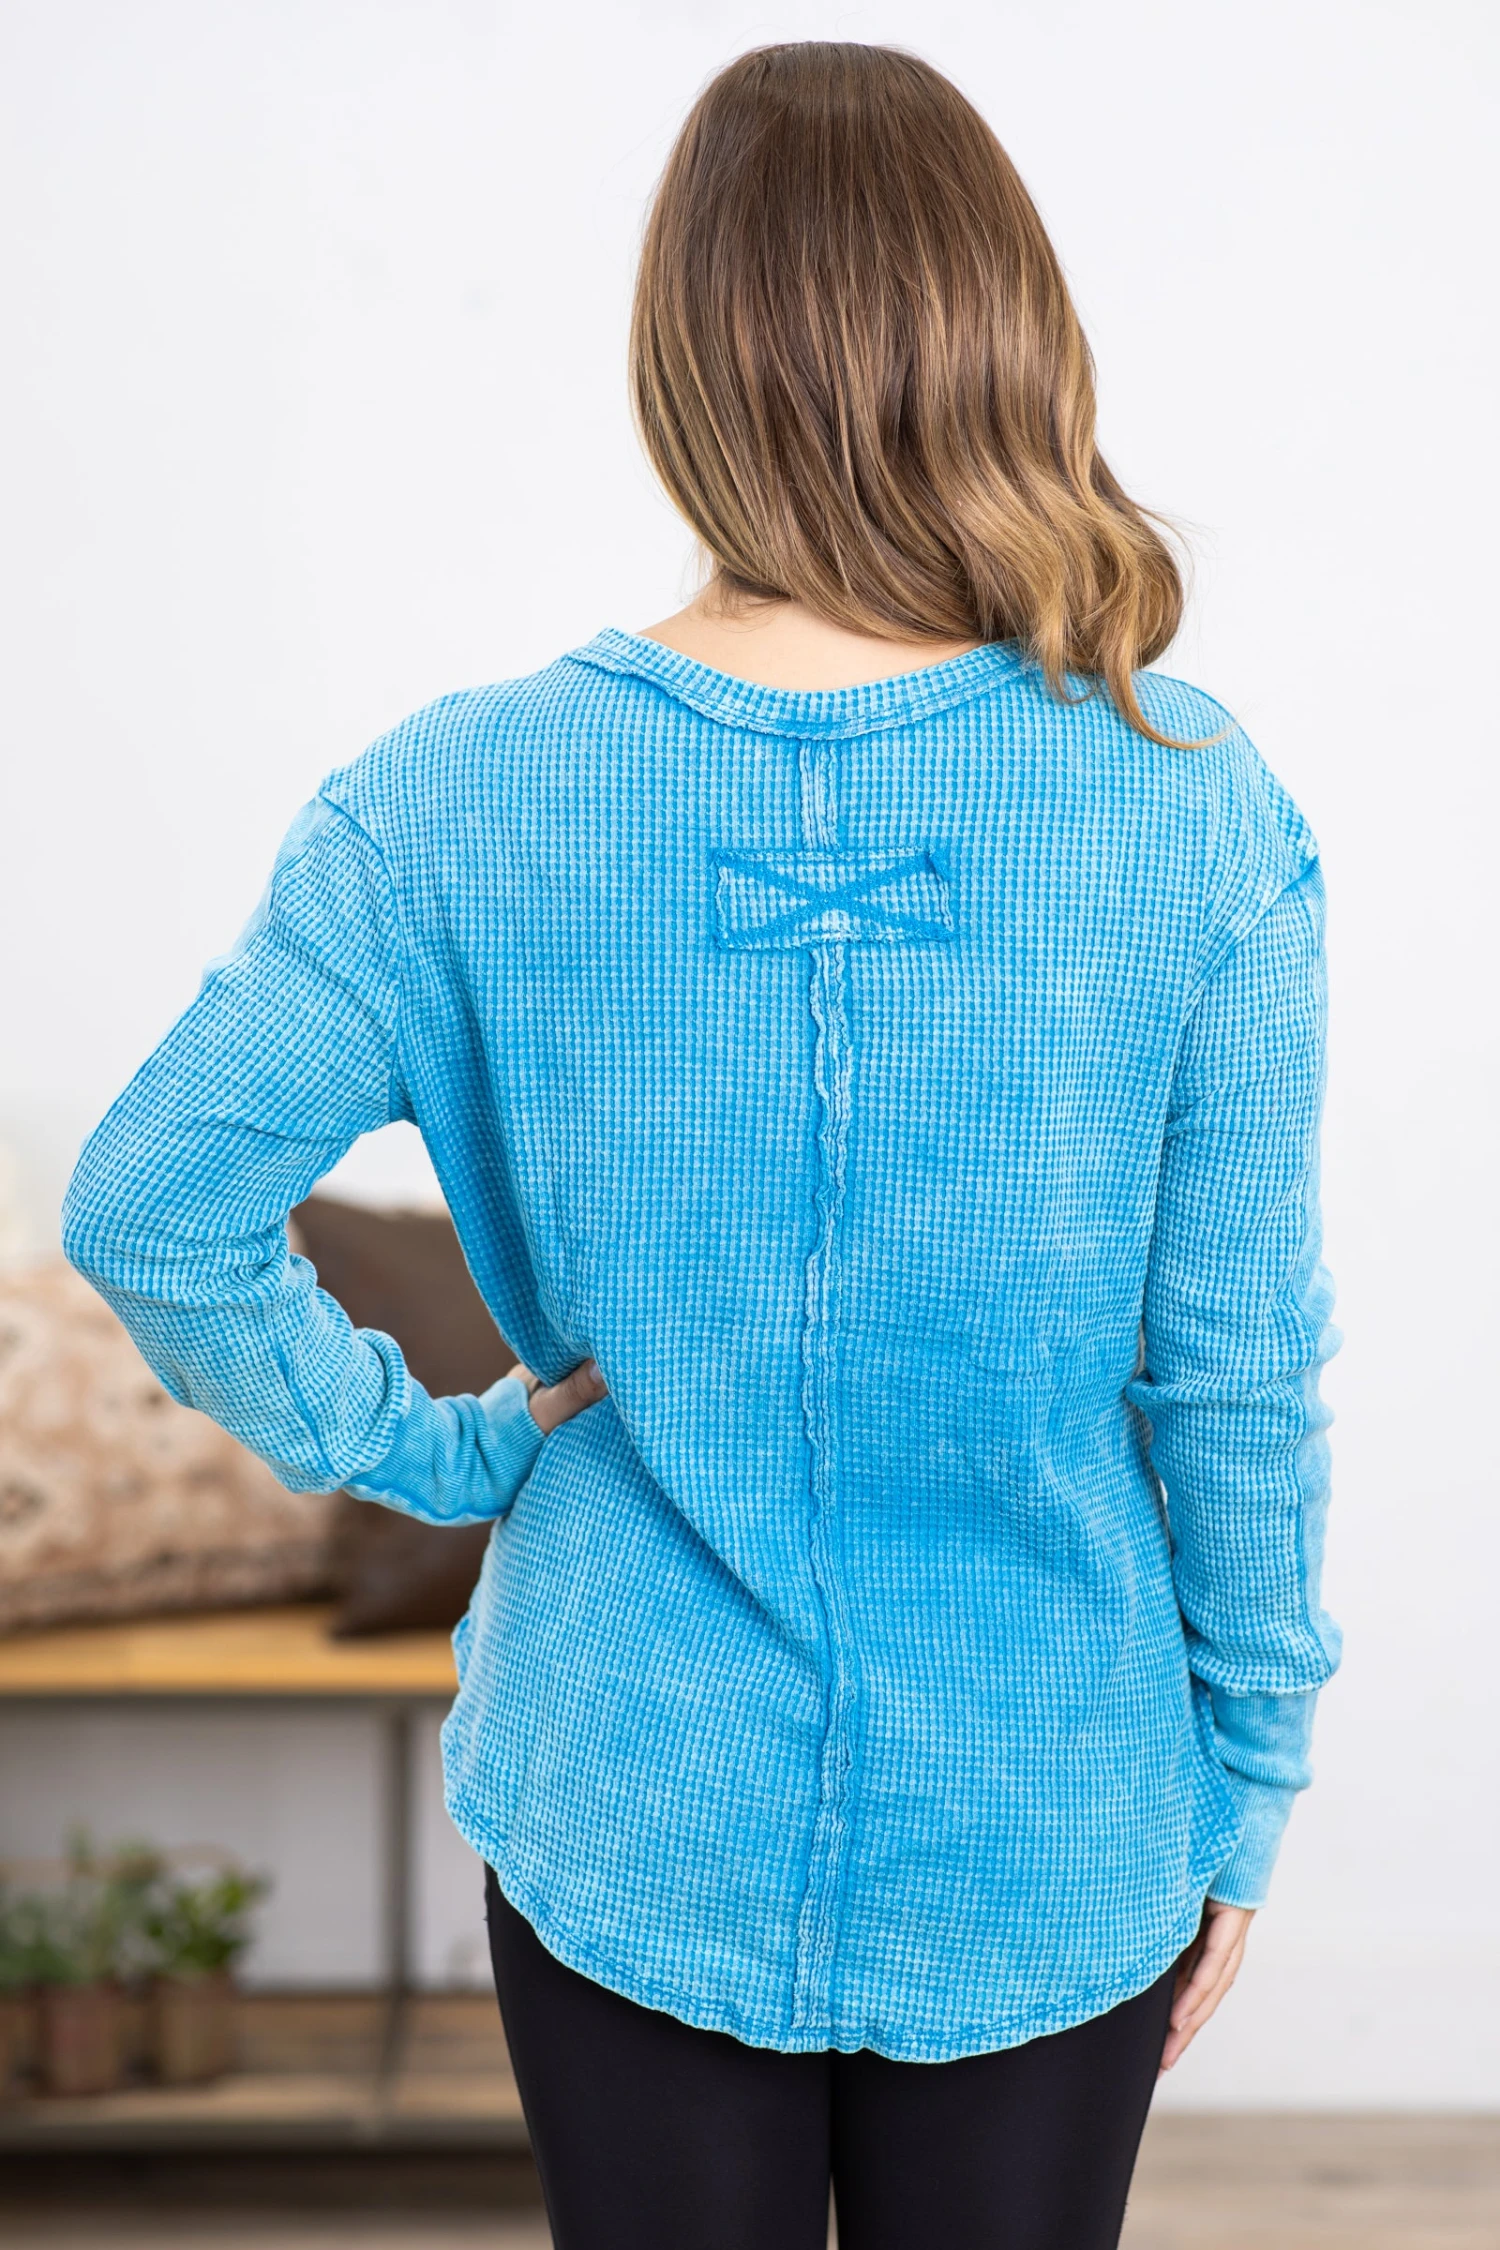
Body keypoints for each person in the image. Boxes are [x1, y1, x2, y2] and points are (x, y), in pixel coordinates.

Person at [62, 40, 1340, 2250]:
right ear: (1010, 334)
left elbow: (150, 1205)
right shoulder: (1190, 803)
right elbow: (1227, 1372)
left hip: (624, 1778)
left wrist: (442, 1450)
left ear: (684, 363)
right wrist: (1249, 1769)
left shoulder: (460, 796)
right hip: (1048, 1801)